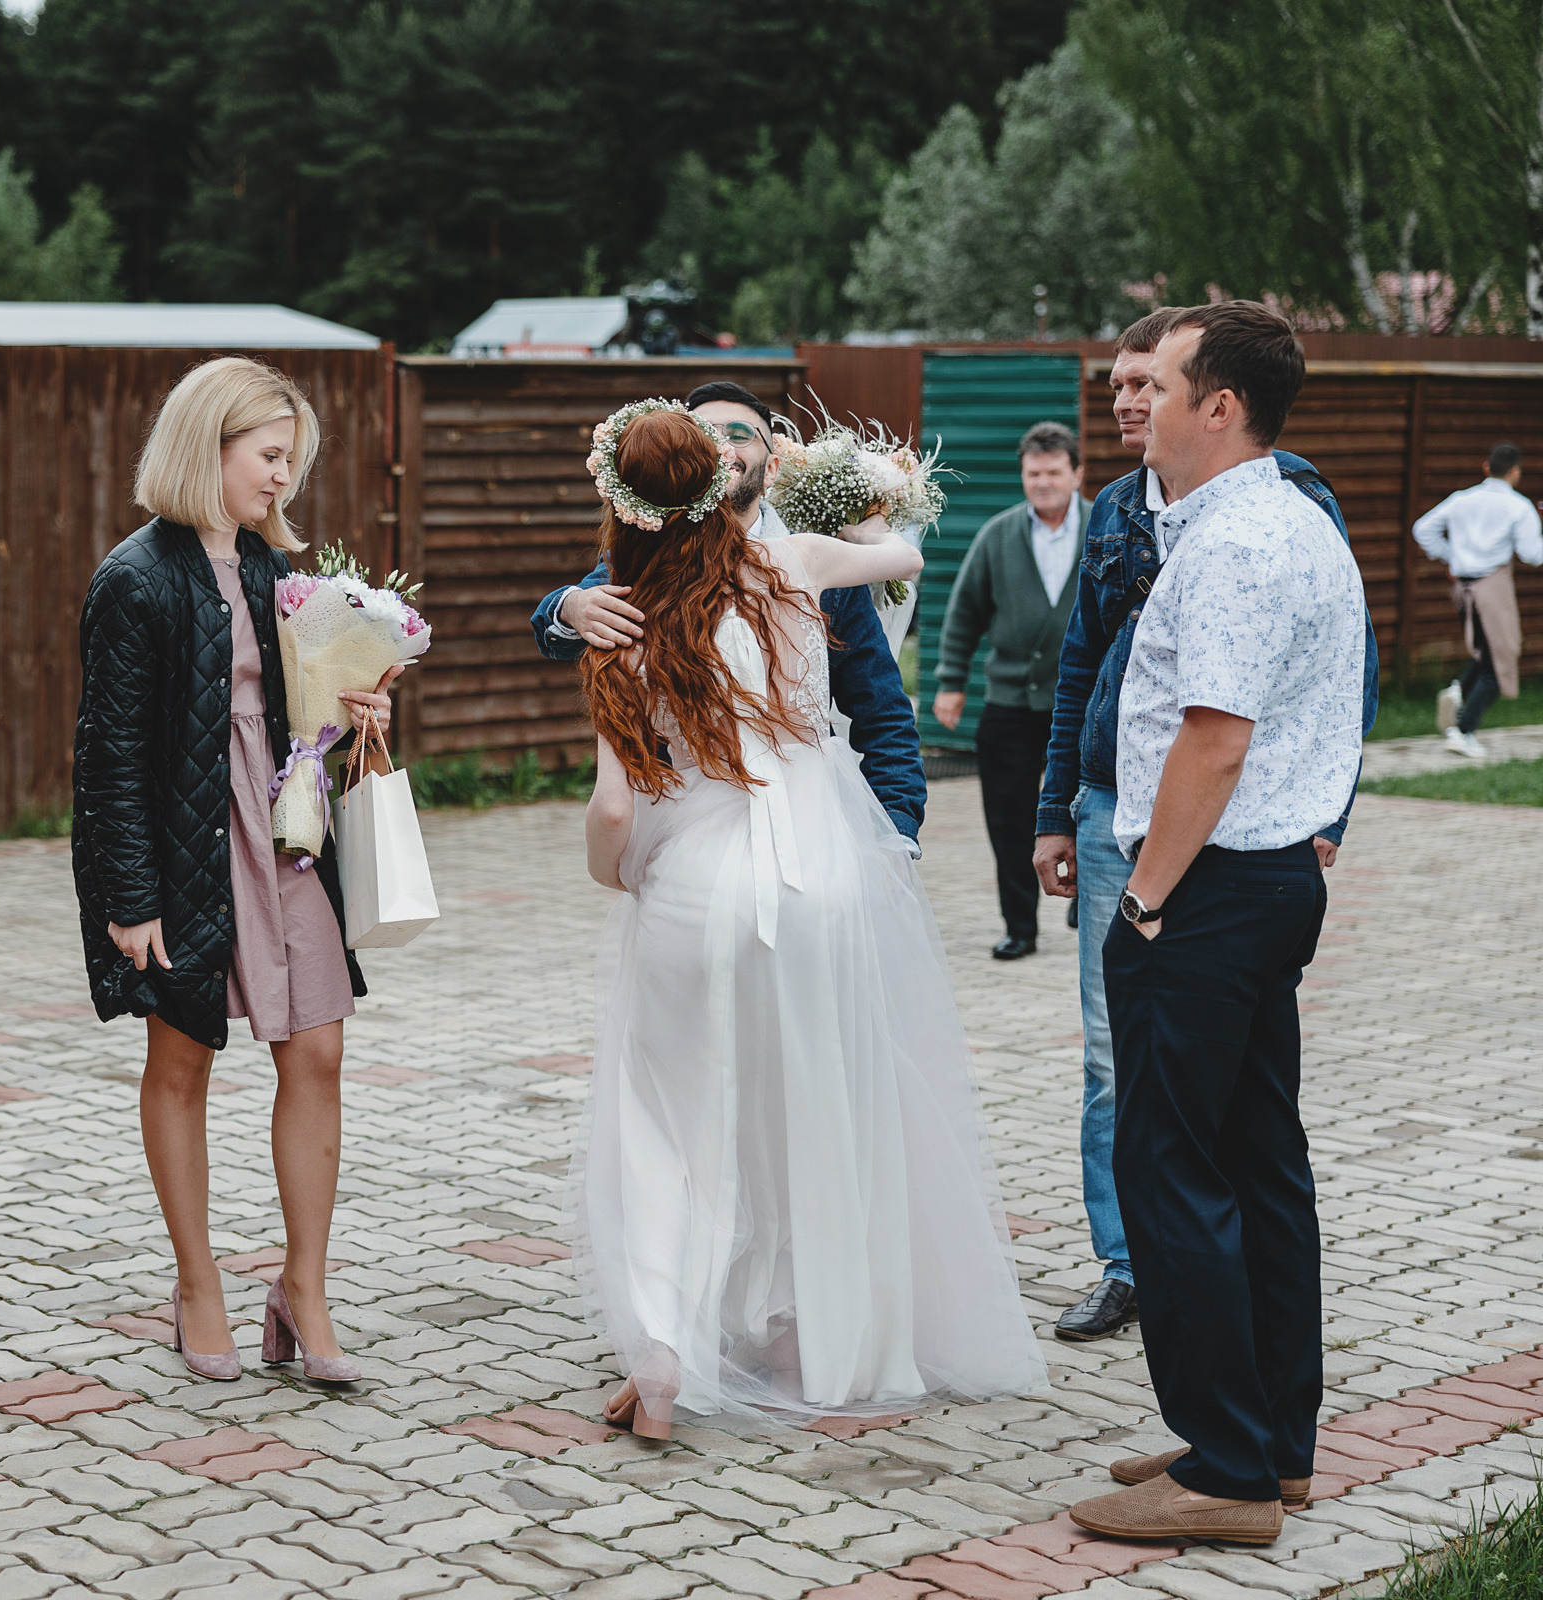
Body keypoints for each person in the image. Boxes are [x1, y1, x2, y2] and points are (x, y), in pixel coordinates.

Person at [575, 402, 1044, 1438]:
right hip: (824, 880)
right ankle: (820, 1342)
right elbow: (898, 553)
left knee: (669, 1124)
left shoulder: (617, 622)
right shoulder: (793, 573)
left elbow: (613, 811)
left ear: (621, 504)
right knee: (818, 1106)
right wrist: (864, 486)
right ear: (726, 485)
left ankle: (663, 1360)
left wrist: (616, 874)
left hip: (697, 887)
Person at [1070, 302, 1366, 1547]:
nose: (1140, 405)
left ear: (1220, 406)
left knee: (1172, 1167)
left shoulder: (1242, 538)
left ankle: (1231, 1476)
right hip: (1259, 887)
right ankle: (1263, 1442)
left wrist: (1143, 899)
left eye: (1165, 382)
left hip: (1206, 891)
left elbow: (1215, 735)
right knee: (1255, 1163)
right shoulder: (1277, 520)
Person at [72, 357, 394, 1387]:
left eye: (289, 462)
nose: (281, 480)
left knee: (320, 1056)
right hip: (182, 857)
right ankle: (197, 1281)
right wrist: (130, 897)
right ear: (206, 446)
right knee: (182, 1065)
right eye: (268, 457)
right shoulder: (133, 579)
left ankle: (304, 1286)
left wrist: (353, 713)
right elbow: (108, 754)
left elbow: (296, 722)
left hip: (287, 841)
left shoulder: (276, 572)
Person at [536, 381, 927, 847]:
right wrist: (569, 606)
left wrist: (897, 828)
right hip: (681, 827)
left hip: (809, 829)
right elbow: (557, 634)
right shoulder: (640, 566)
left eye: (739, 433)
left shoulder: (822, 568)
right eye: (704, 432)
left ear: (773, 466)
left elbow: (881, 710)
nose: (721, 444)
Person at [934, 422, 1089, 960]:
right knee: (1008, 818)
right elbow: (963, 615)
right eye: (1033, 473)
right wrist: (951, 683)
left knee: (1092, 805)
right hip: (1009, 701)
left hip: (1087, 703)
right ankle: (1020, 926)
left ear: (1076, 473)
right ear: (1022, 476)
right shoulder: (997, 536)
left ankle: (1086, 898)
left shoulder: (1106, 527)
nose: (1043, 482)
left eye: (1053, 472)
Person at [1414, 441, 1542, 759]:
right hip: (1492, 586)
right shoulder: (1518, 506)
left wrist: (1451, 558)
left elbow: (1422, 529)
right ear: (1515, 471)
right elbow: (1532, 554)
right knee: (1500, 661)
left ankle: (1458, 691)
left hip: (1463, 589)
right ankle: (1463, 730)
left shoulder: (1462, 499)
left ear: (1487, 467)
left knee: (1486, 650)